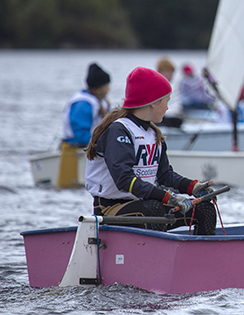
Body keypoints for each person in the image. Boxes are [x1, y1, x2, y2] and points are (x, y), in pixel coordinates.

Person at [85, 67, 216, 235]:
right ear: (154, 102)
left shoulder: (154, 133)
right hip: (110, 208)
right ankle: (156, 260)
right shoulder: (119, 130)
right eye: (167, 101)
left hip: (144, 204)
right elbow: (124, 179)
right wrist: (167, 197)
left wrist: (193, 187)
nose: (168, 108)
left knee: (204, 209)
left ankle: (202, 259)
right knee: (154, 210)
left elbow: (164, 175)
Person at [57, 63, 111, 187]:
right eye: (107, 85)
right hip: (76, 149)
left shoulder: (102, 102)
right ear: (99, 87)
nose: (109, 89)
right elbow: (80, 134)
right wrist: (104, 145)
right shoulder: (83, 103)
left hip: (92, 148)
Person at [156, 56, 183, 127]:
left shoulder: (169, 87)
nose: (172, 75)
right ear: (161, 72)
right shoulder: (157, 86)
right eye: (169, 72)